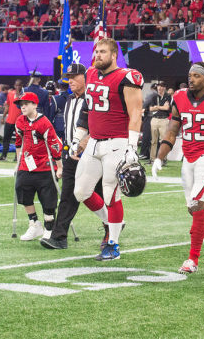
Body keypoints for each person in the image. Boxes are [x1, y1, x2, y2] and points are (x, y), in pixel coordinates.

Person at [151, 62, 204, 274]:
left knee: (198, 204)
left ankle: (192, 259)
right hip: (187, 157)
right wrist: (159, 158)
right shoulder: (179, 97)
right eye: (190, 75)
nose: (191, 79)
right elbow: (171, 131)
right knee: (193, 208)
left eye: (197, 76)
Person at [73, 38, 144, 261]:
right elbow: (88, 108)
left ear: (114, 55)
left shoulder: (127, 77)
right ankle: (111, 222)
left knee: (111, 194)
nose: (98, 55)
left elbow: (135, 113)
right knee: (81, 191)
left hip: (117, 143)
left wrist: (132, 147)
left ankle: (112, 245)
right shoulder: (91, 74)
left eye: (103, 51)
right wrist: (79, 137)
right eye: (96, 51)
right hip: (94, 143)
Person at [41, 63, 103, 250]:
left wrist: (86, 142)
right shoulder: (68, 99)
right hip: (71, 153)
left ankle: (113, 226)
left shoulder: (94, 99)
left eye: (75, 76)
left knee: (101, 194)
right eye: (69, 77)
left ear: (86, 77)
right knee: (68, 194)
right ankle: (59, 237)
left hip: (92, 153)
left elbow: (99, 124)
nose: (71, 80)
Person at [13, 92, 63, 241]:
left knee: (48, 197)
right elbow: (18, 142)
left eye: (26, 104)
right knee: (21, 188)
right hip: (26, 164)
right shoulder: (19, 121)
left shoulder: (44, 122)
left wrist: (59, 166)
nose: (23, 107)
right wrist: (18, 163)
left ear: (35, 105)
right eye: (21, 105)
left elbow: (54, 144)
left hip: (45, 165)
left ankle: (49, 227)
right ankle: (34, 224)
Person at [0, 79, 23, 161]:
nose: (18, 87)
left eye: (19, 85)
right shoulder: (10, 93)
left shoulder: (24, 95)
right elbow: (7, 106)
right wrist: (3, 117)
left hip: (20, 121)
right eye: (16, 85)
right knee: (6, 139)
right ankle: (4, 156)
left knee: (19, 140)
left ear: (22, 86)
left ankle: (17, 156)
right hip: (10, 120)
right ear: (14, 86)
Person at [148, 81, 171, 162]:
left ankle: (163, 159)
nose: (159, 88)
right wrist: (161, 107)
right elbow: (150, 109)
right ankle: (152, 159)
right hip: (154, 119)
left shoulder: (168, 96)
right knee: (153, 141)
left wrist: (157, 107)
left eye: (161, 86)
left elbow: (167, 108)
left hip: (164, 119)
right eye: (158, 86)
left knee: (163, 141)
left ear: (164, 87)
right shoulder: (154, 97)